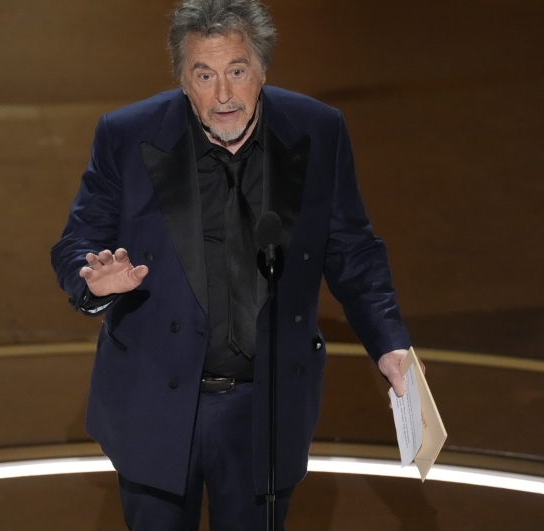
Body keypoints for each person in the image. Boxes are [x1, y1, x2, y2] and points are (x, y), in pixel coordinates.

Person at [51, 0, 416, 529]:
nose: (223, 94)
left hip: (263, 411)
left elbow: (352, 249)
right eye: (204, 74)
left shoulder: (318, 131)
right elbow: (76, 241)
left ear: (262, 70)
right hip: (156, 403)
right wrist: (93, 281)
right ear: (183, 80)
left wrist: (390, 343)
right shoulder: (126, 135)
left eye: (237, 71)